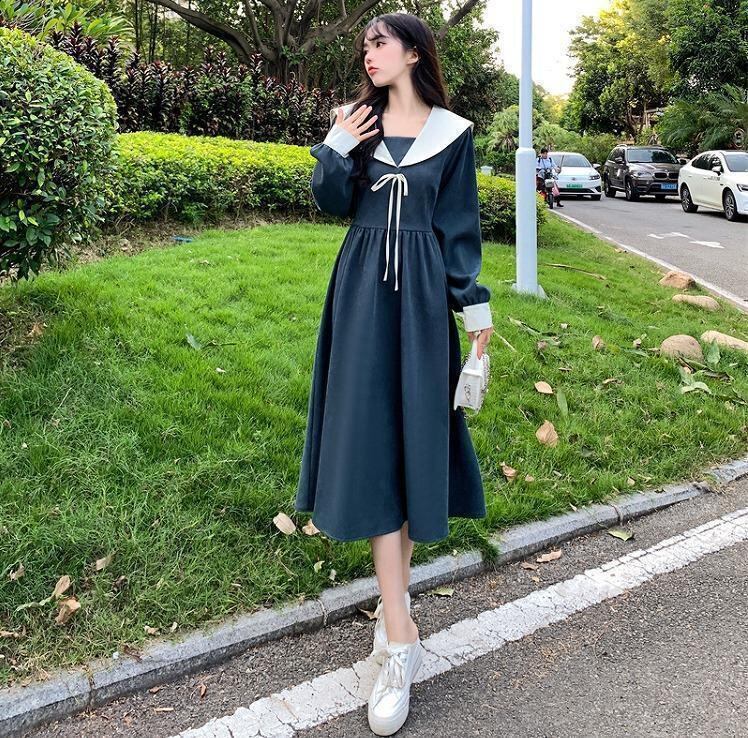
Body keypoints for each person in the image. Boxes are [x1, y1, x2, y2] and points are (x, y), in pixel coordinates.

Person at [294, 12, 494, 736]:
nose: (368, 55)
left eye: (380, 42)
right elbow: (330, 201)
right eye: (365, 46)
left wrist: (475, 315)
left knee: (411, 444)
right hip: (360, 300)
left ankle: (394, 619)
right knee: (375, 444)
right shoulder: (357, 123)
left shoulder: (453, 134)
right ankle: (401, 635)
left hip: (422, 306)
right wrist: (334, 148)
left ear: (414, 52)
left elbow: (458, 230)